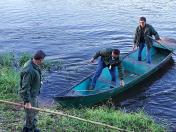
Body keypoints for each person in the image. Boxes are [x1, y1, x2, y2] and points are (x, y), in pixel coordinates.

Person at [19, 50, 46, 132]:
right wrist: (27, 102)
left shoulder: (34, 64)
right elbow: (25, 88)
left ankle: (33, 127)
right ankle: (28, 129)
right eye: (43, 59)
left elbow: (33, 78)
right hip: (29, 96)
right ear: (39, 59)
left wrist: (38, 81)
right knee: (30, 114)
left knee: (35, 111)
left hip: (34, 94)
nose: (43, 61)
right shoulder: (29, 70)